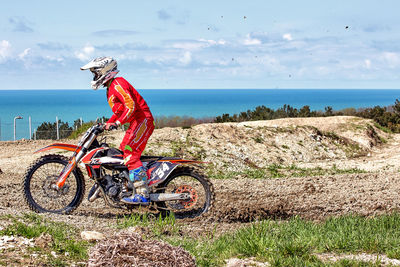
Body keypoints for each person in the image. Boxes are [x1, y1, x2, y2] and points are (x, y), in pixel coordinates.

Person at [81, 57, 154, 204]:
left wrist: (118, 123)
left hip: (142, 121)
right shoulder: (111, 87)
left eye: (95, 73)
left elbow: (131, 106)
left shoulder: (118, 83)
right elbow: (120, 111)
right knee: (121, 152)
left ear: (104, 71)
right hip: (136, 122)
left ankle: (143, 193)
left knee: (130, 153)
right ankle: (126, 186)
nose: (94, 77)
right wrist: (106, 124)